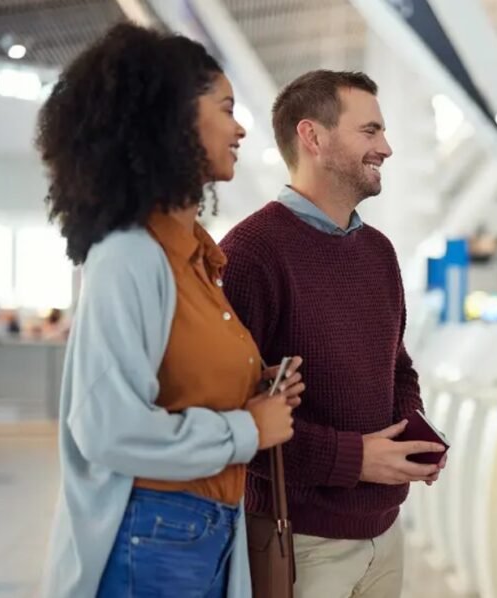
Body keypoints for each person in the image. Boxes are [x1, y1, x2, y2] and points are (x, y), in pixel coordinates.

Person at [38, 24, 304, 597]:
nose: (239, 128)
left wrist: (257, 394)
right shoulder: (132, 256)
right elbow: (107, 428)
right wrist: (246, 428)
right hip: (152, 538)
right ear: (174, 118)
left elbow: (175, 390)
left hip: (200, 535)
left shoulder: (198, 263)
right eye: (226, 108)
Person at [219, 70, 446, 598]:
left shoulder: (379, 252)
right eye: (369, 131)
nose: (386, 147)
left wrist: (412, 436)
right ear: (313, 137)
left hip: (386, 534)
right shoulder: (250, 254)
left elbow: (397, 368)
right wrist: (355, 458)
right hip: (298, 540)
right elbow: (230, 417)